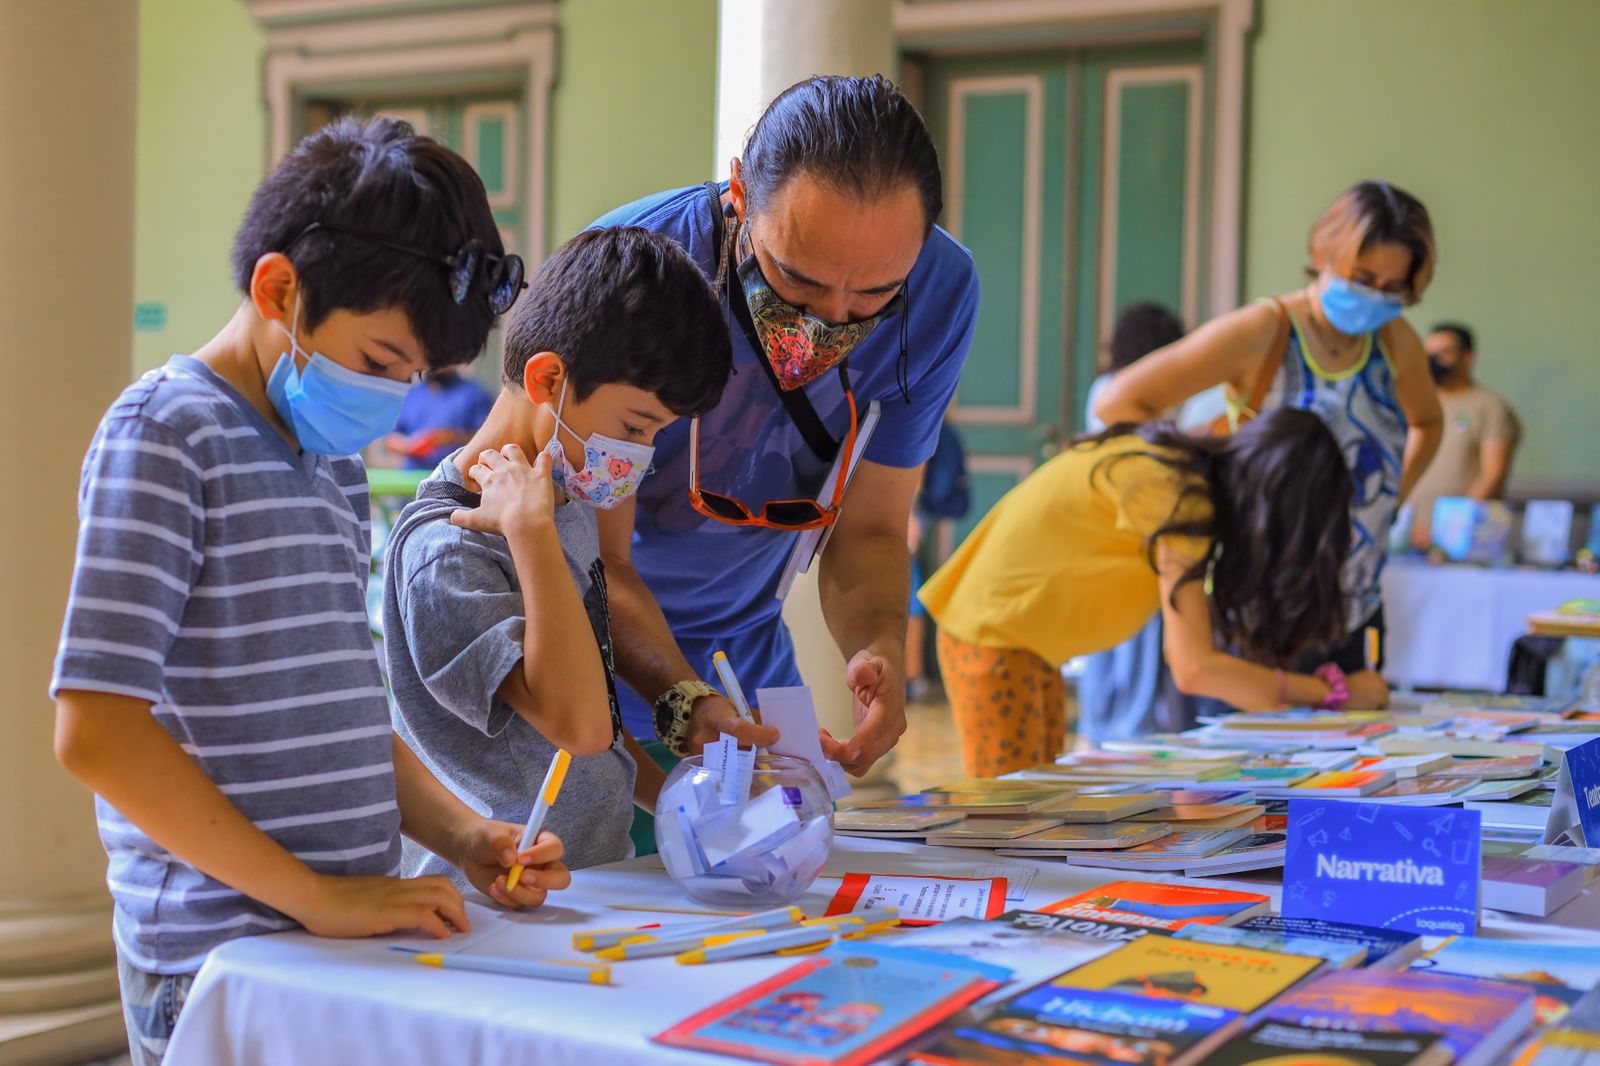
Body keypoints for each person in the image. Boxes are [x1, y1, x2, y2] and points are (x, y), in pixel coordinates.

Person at [50, 117, 566, 1066]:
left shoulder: (327, 463)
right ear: (280, 289)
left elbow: (349, 705)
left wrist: (462, 837)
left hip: (331, 936)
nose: (394, 399)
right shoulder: (163, 437)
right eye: (377, 363)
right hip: (218, 960)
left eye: (413, 377)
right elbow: (97, 727)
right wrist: (316, 895)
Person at [589, 75, 978, 776]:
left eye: (874, 294)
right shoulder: (634, 268)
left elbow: (872, 531)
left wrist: (879, 645)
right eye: (797, 279)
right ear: (739, 193)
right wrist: (687, 706)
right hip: (586, 669)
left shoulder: (941, 292)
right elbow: (593, 555)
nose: (831, 317)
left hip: (747, 663)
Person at [382, 227, 732, 880]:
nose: (641, 454)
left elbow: (593, 707)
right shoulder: (448, 548)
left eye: (656, 433)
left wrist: (682, 804)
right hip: (487, 902)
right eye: (634, 427)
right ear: (548, 378)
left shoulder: (560, 508)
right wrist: (533, 537)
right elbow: (579, 725)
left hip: (585, 878)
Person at [1095, 180, 1444, 679]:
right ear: (1323, 254)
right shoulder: (1263, 330)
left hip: (1353, 606)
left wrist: (1391, 498)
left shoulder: (1395, 341)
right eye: (1362, 277)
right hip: (1260, 604)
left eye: (1393, 289)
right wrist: (1197, 491)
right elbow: (1119, 402)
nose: (1375, 297)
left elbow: (1427, 422)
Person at [919, 408, 1383, 777]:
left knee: (1032, 803)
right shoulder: (1177, 496)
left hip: (1018, 645)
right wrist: (1332, 693)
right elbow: (1195, 668)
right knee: (1008, 823)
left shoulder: (1181, 474)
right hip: (993, 641)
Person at [1077, 303, 1186, 745]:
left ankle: (1103, 728)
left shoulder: (1104, 387)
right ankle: (1128, 731)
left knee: (1111, 641)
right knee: (1133, 641)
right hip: (1131, 527)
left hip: (1108, 530)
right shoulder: (1122, 393)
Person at [1408, 322, 1522, 547]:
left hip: (1466, 539)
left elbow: (1493, 476)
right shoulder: (1418, 403)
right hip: (1411, 534)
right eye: (1428, 354)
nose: (1433, 361)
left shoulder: (1490, 406)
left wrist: (1448, 528)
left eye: (1443, 353)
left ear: (1466, 357)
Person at [906, 417, 970, 698]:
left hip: (907, 509)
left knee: (909, 595)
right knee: (910, 593)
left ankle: (913, 675)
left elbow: (917, 465)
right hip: (912, 509)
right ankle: (914, 676)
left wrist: (909, 513)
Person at [382, 367, 495, 470]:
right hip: (412, 478)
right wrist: (409, 446)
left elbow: (488, 438)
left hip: (456, 477)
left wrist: (449, 437)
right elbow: (390, 437)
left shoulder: (474, 394)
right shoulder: (412, 394)